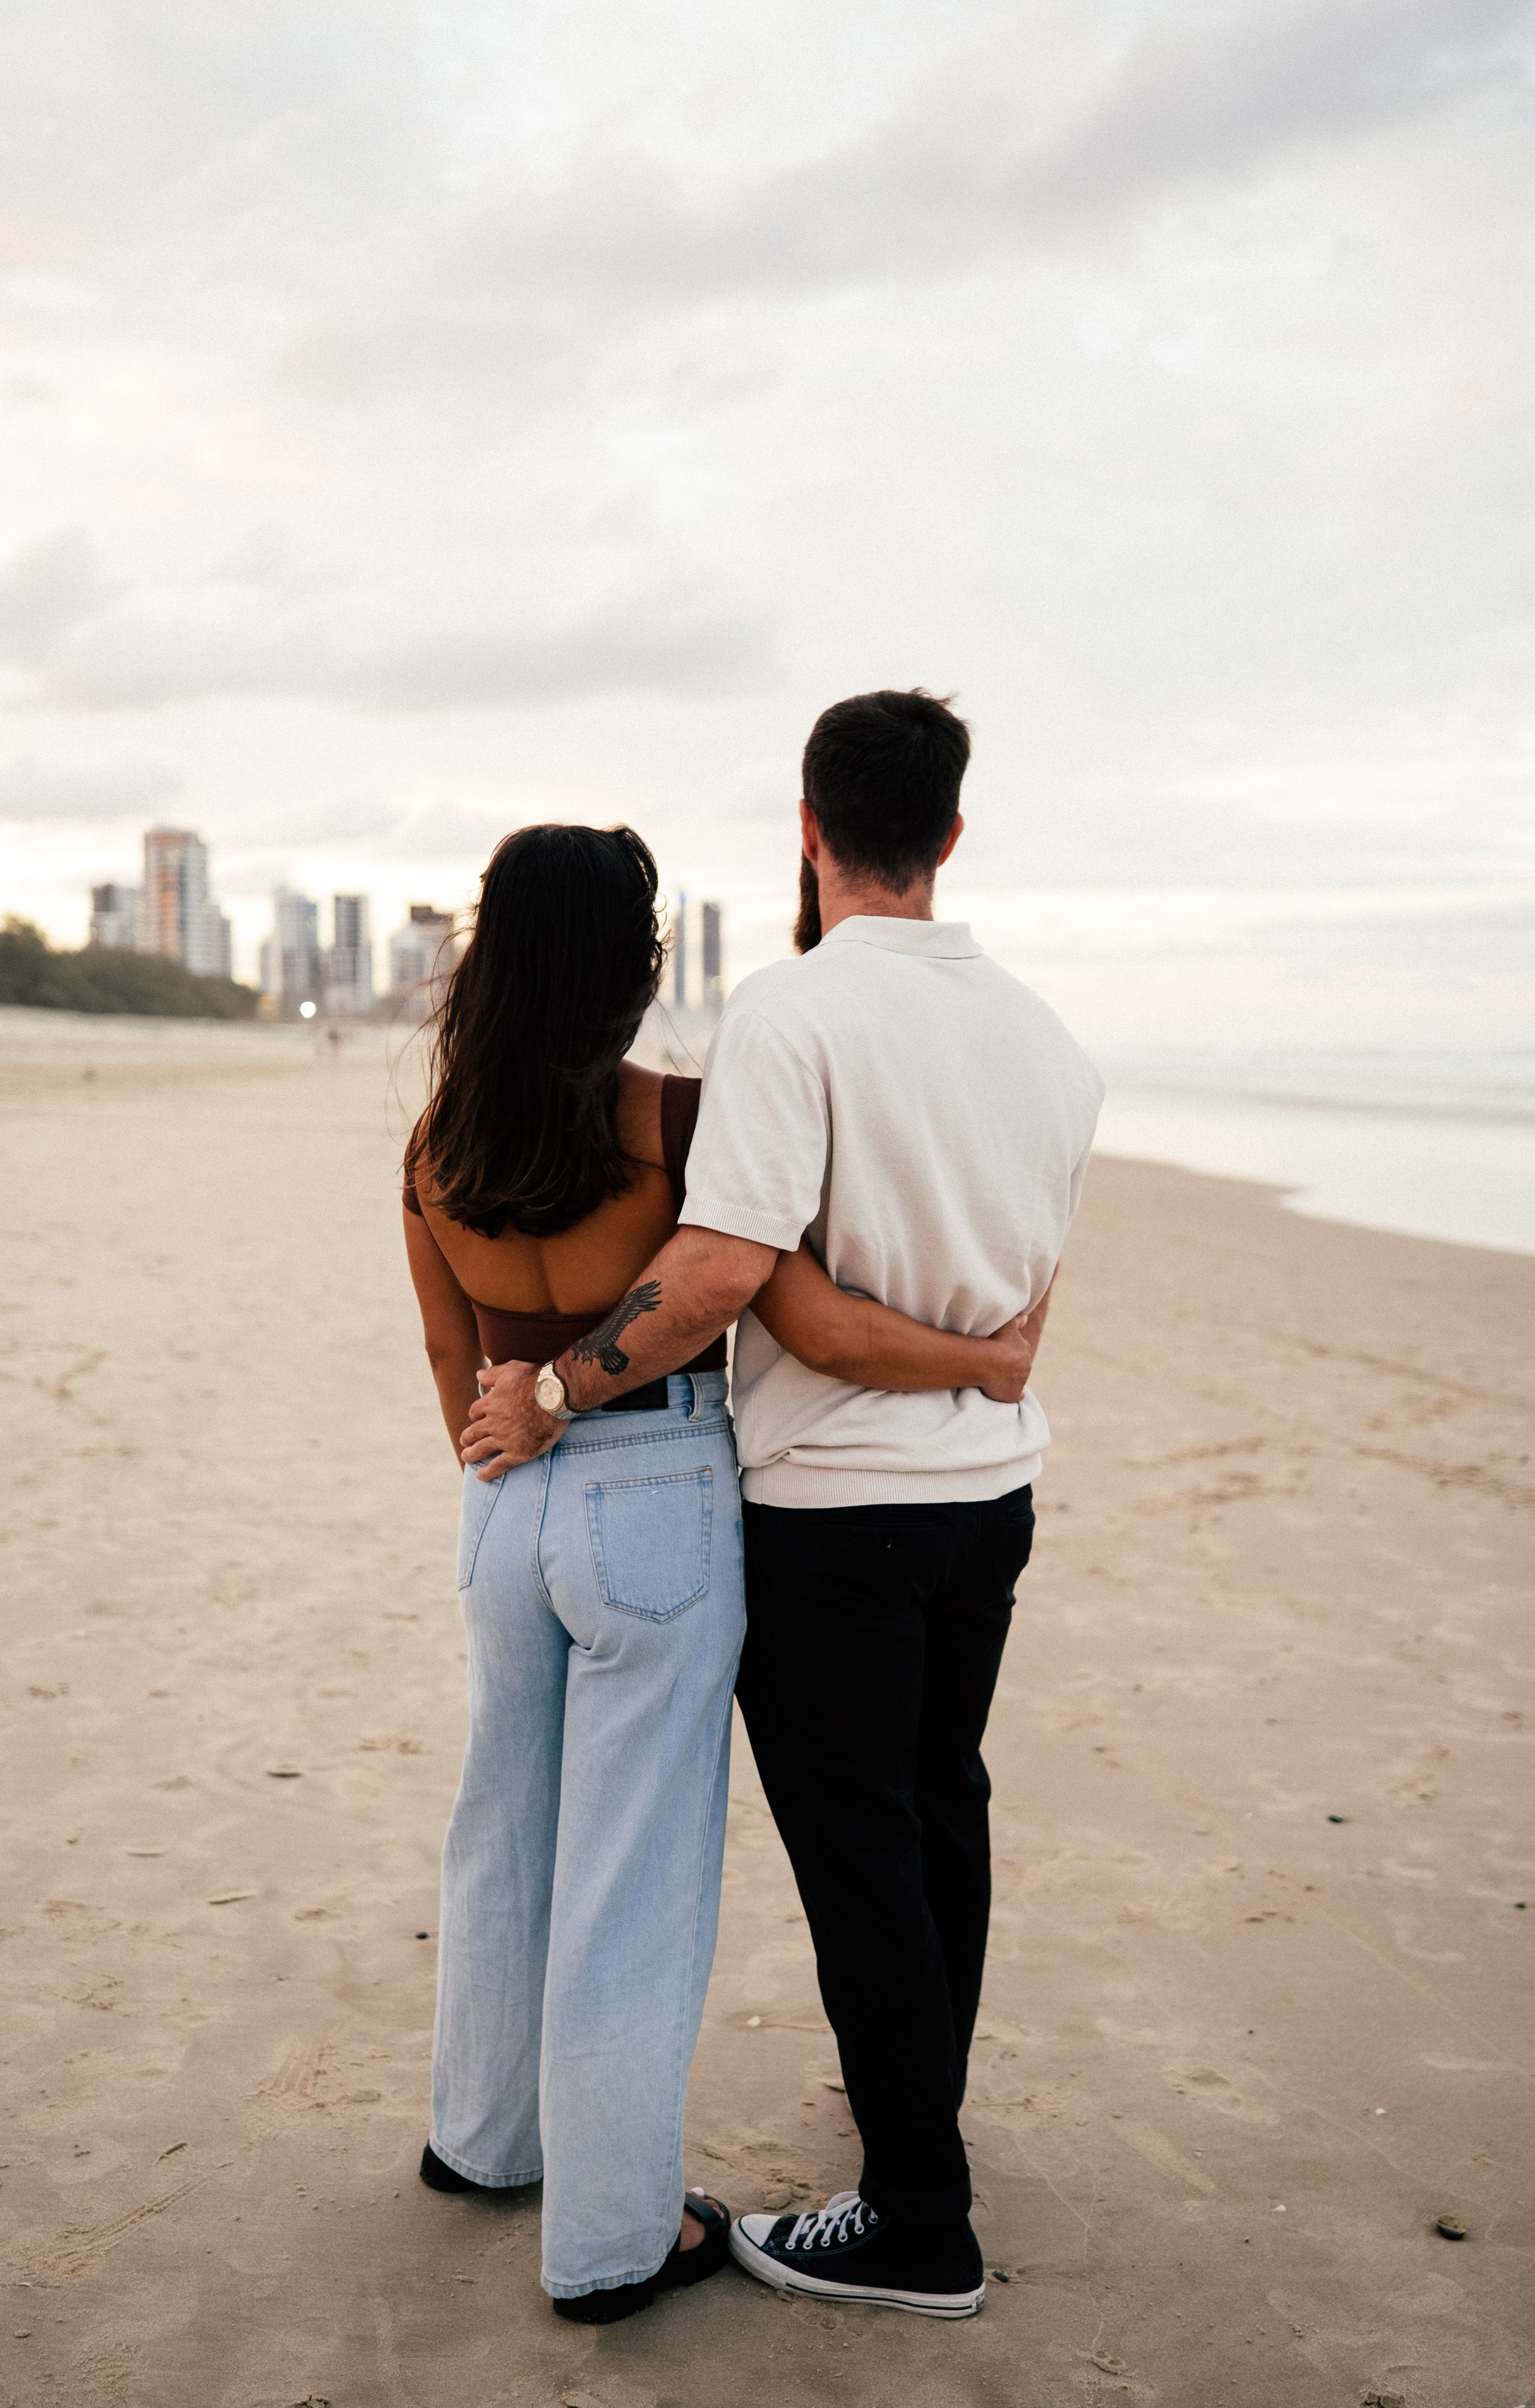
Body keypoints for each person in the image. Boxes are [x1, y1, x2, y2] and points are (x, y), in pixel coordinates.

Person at [462, 692, 1103, 2320]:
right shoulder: (1053, 1043)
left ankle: (916, 2214)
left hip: (835, 1510)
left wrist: (551, 1391)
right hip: (989, 1502)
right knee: (937, 1810)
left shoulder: (792, 1016)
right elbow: (981, 1315)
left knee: (861, 1854)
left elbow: (745, 1291)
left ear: (812, 827)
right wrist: (990, 1359)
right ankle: (921, 2124)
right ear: (953, 834)